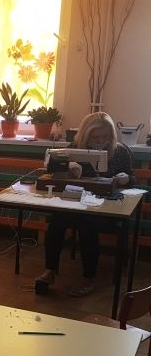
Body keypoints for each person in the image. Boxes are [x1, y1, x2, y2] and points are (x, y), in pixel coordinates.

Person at [34, 112, 134, 297]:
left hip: (107, 208)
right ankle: (50, 271)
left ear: (111, 135)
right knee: (56, 222)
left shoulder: (121, 152)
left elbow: (132, 181)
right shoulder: (74, 149)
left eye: (105, 137)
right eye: (95, 137)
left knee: (88, 225)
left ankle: (89, 277)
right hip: (78, 203)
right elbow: (52, 171)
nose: (101, 141)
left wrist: (126, 179)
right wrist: (67, 168)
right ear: (85, 135)